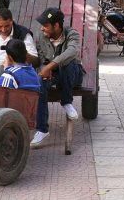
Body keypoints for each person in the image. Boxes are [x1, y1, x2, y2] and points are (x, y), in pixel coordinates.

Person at [30, 8, 84, 147]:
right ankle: (42, 130)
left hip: (73, 74)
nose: (42, 29)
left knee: (68, 62)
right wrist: (44, 69)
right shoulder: (42, 37)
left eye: (46, 25)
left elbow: (72, 51)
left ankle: (67, 102)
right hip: (54, 74)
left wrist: (50, 66)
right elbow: (42, 58)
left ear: (57, 26)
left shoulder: (72, 34)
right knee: (39, 82)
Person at [0, 8, 39, 81]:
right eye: (0, 27)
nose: (3, 30)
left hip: (16, 71)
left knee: (3, 70)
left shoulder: (23, 34)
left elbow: (35, 61)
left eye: (7, 26)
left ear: (11, 21)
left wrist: (21, 52)